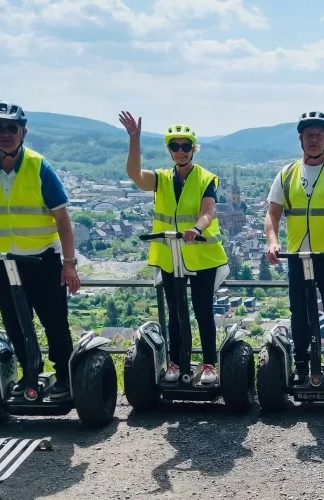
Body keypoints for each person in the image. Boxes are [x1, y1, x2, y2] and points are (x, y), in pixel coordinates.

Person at [0, 101, 80, 400]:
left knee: (54, 321)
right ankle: (29, 375)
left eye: (11, 128)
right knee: (15, 321)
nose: (5, 133)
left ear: (23, 131)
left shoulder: (38, 165)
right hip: (1, 260)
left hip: (41, 260)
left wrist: (69, 263)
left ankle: (65, 379)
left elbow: (62, 216)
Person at [118, 112, 229, 385]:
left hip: (201, 254)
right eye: (175, 146)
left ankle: (209, 365)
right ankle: (176, 362)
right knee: (176, 311)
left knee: (203, 310)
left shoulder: (206, 178)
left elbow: (208, 211)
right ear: (169, 150)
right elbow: (134, 174)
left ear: (194, 148)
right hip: (170, 255)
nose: (180, 151)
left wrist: (197, 229)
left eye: (185, 146)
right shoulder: (161, 179)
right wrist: (135, 139)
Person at [264, 111, 324, 386]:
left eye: (318, 135)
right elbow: (272, 214)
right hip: (297, 255)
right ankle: (302, 365)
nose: (314, 140)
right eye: (309, 136)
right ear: (300, 139)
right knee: (300, 312)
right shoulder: (287, 174)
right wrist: (273, 242)